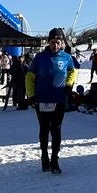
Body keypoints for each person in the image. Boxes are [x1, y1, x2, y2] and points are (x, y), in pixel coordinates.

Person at [26, 28, 78, 174]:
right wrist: (31, 95)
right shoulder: (39, 58)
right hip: (42, 100)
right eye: (53, 42)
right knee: (44, 130)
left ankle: (55, 159)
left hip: (59, 100)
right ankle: (44, 158)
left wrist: (68, 85)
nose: (55, 45)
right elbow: (29, 76)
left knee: (56, 130)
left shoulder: (67, 58)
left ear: (62, 43)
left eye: (58, 42)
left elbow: (72, 72)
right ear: (48, 42)